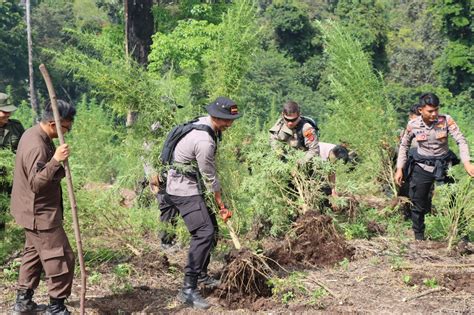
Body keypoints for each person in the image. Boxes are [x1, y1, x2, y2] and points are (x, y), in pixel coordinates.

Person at [163, 97, 240, 309]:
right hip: (182, 188)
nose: (229, 124)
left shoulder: (204, 123)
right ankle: (188, 289)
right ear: (216, 117)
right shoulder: (204, 141)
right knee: (204, 233)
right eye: (227, 120)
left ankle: (203, 274)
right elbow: (209, 175)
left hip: (190, 184)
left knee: (212, 229)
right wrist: (220, 203)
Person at [10, 100, 76, 315]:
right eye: (67, 127)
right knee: (61, 257)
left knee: (33, 254)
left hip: (33, 211)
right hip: (39, 214)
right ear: (53, 123)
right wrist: (56, 160)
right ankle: (56, 308)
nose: (69, 131)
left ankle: (23, 302)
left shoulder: (34, 133)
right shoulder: (37, 145)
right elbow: (37, 184)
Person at [395, 93, 474, 241]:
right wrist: (399, 168)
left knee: (453, 200)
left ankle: (463, 237)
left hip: (443, 165)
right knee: (417, 202)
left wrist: (467, 162)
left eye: (436, 110)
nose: (434, 114)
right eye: (430, 111)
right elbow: (404, 146)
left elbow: (461, 141)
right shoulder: (413, 125)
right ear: (420, 110)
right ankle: (419, 238)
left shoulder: (446, 120)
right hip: (422, 166)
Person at [0, 92, 25, 230]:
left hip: (13, 178)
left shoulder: (16, 126)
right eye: (4, 112)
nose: (8, 115)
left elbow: (26, 148)